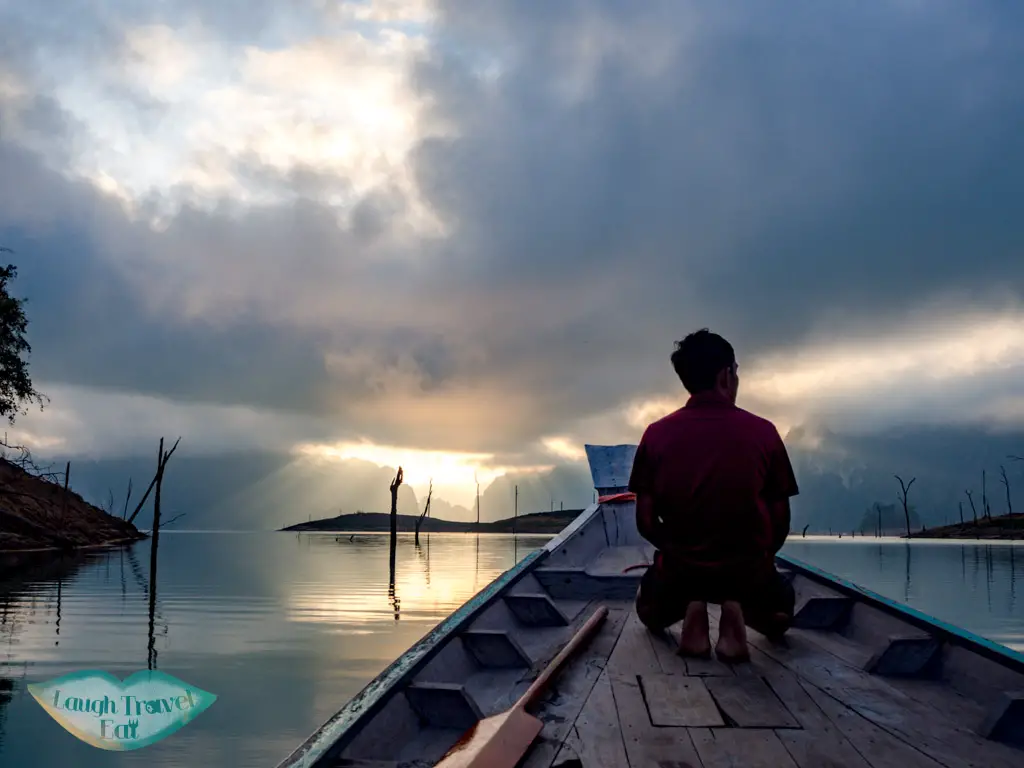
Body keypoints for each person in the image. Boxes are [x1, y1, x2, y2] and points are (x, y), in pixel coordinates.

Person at [627, 329, 798, 662]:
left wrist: (684, 556)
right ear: (726, 375)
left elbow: (646, 522)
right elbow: (781, 524)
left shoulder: (656, 435)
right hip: (749, 575)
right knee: (780, 615)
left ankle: (693, 607)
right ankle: (734, 607)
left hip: (679, 573)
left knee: (647, 610)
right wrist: (752, 564)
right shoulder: (764, 433)